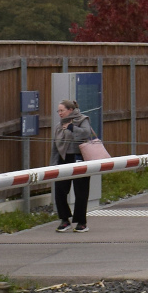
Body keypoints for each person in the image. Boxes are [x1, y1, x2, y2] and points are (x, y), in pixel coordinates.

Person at [52, 99, 98, 233]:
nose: (59, 113)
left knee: (81, 191)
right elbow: (55, 146)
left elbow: (86, 133)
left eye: (62, 110)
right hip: (64, 159)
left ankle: (81, 222)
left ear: (70, 110)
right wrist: (53, 164)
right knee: (60, 190)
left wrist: (71, 128)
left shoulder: (82, 119)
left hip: (79, 158)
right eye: (58, 111)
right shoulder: (58, 126)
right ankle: (64, 219)